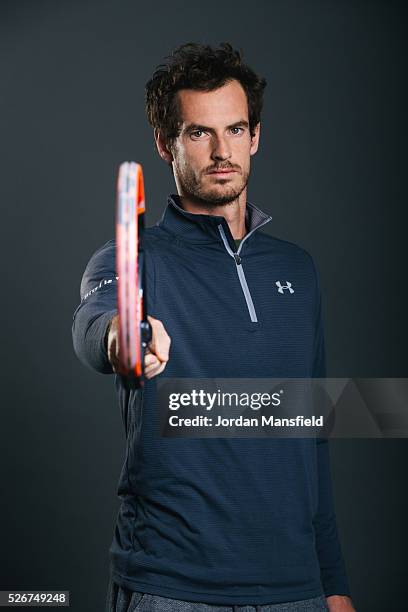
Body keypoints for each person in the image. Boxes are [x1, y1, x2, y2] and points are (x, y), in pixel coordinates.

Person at [72, 43, 356, 612]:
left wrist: (334, 584)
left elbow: (311, 437)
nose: (222, 150)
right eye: (200, 133)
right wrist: (122, 339)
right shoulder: (131, 259)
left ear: (255, 135)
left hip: (295, 591)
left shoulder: (297, 270)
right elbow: (92, 325)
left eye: (235, 129)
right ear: (165, 143)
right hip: (171, 588)